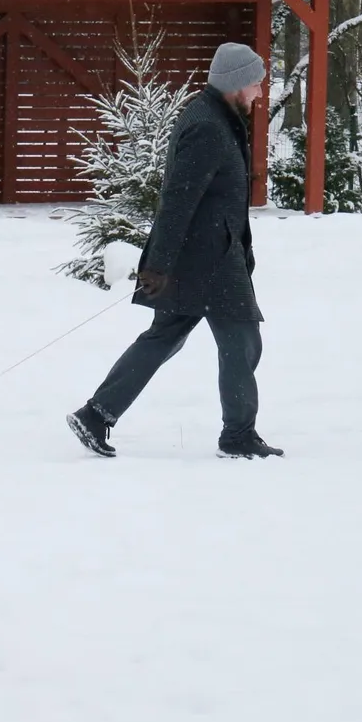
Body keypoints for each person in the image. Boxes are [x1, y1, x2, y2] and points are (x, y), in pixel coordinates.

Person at [68, 42, 283, 460]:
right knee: (241, 339)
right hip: (209, 260)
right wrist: (158, 265)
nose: (260, 92)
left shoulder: (218, 116)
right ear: (237, 83)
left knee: (165, 336)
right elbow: (178, 199)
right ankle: (238, 435)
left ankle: (96, 414)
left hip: (210, 253)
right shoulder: (208, 125)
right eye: (256, 83)